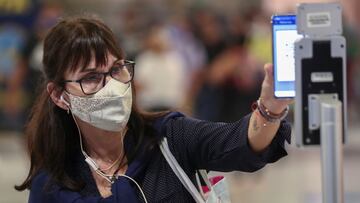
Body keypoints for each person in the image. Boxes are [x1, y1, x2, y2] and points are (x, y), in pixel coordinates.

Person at [15, 16, 292, 202]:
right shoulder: (50, 185)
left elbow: (239, 142)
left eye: (116, 70)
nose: (110, 86)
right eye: (91, 78)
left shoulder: (169, 138)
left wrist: (270, 108)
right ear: (59, 95)